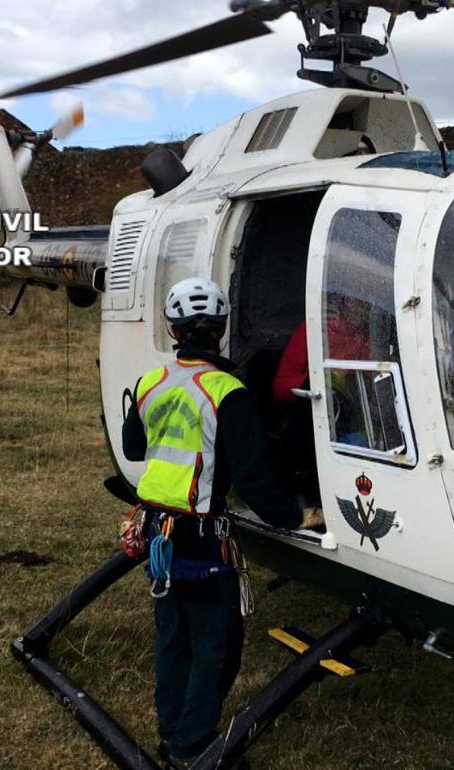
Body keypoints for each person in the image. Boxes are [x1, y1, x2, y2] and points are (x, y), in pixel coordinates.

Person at [122, 277, 323, 767]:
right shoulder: (228, 393)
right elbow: (254, 481)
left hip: (158, 538)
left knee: (174, 641)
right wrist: (298, 515)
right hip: (202, 544)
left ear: (173, 330)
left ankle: (172, 733)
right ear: (221, 328)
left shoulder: (151, 382)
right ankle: (192, 747)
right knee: (218, 648)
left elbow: (133, 448)